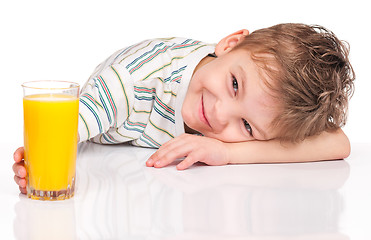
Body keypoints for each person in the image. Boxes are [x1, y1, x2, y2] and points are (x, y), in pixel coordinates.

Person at [13, 23, 355, 194]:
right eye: (234, 85)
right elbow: (70, 123)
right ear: (229, 44)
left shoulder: (263, 98)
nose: (220, 115)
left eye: (247, 127)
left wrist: (227, 153)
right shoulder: (132, 83)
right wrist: (39, 164)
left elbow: (338, 143)